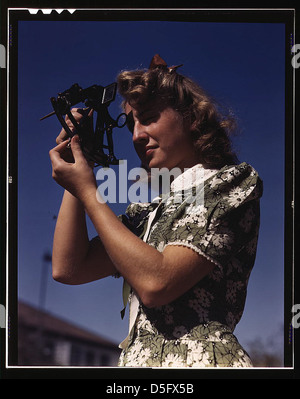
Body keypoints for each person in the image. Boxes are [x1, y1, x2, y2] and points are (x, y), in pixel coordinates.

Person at [49, 54, 263, 368]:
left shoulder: (231, 181)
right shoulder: (146, 212)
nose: (136, 135)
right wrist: (81, 168)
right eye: (131, 123)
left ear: (191, 116)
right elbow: (69, 268)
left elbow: (157, 284)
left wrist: (89, 192)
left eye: (148, 117)